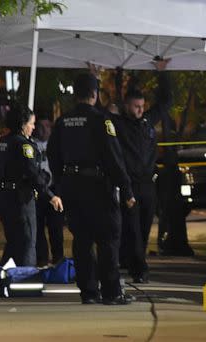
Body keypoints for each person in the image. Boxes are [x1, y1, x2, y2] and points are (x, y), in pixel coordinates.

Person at [47, 73, 136, 305]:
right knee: (108, 239)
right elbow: (114, 157)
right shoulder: (101, 120)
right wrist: (126, 189)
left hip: (72, 188)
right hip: (98, 187)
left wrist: (61, 184)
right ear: (95, 95)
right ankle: (111, 292)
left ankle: (88, 292)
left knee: (82, 240)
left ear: (75, 95)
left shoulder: (62, 122)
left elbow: (52, 156)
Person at [111, 59, 172, 283]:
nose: (140, 110)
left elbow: (165, 103)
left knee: (145, 228)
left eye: (142, 106)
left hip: (148, 184)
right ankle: (139, 269)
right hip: (130, 185)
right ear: (127, 105)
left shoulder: (146, 121)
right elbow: (99, 113)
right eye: (136, 106)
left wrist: (162, 74)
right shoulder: (119, 123)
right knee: (134, 228)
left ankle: (132, 260)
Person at [0, 102, 63, 267]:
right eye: (31, 123)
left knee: (13, 241)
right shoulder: (23, 145)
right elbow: (32, 174)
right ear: (23, 124)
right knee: (27, 242)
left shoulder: (3, 142)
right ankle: (25, 280)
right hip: (20, 199)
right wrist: (50, 195)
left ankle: (3, 277)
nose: (33, 127)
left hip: (3, 198)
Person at [32, 115, 65, 266]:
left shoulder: (57, 144)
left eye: (47, 126)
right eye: (40, 126)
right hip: (38, 191)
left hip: (54, 189)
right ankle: (42, 258)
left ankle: (58, 257)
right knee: (38, 227)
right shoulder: (32, 144)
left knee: (56, 227)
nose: (43, 129)